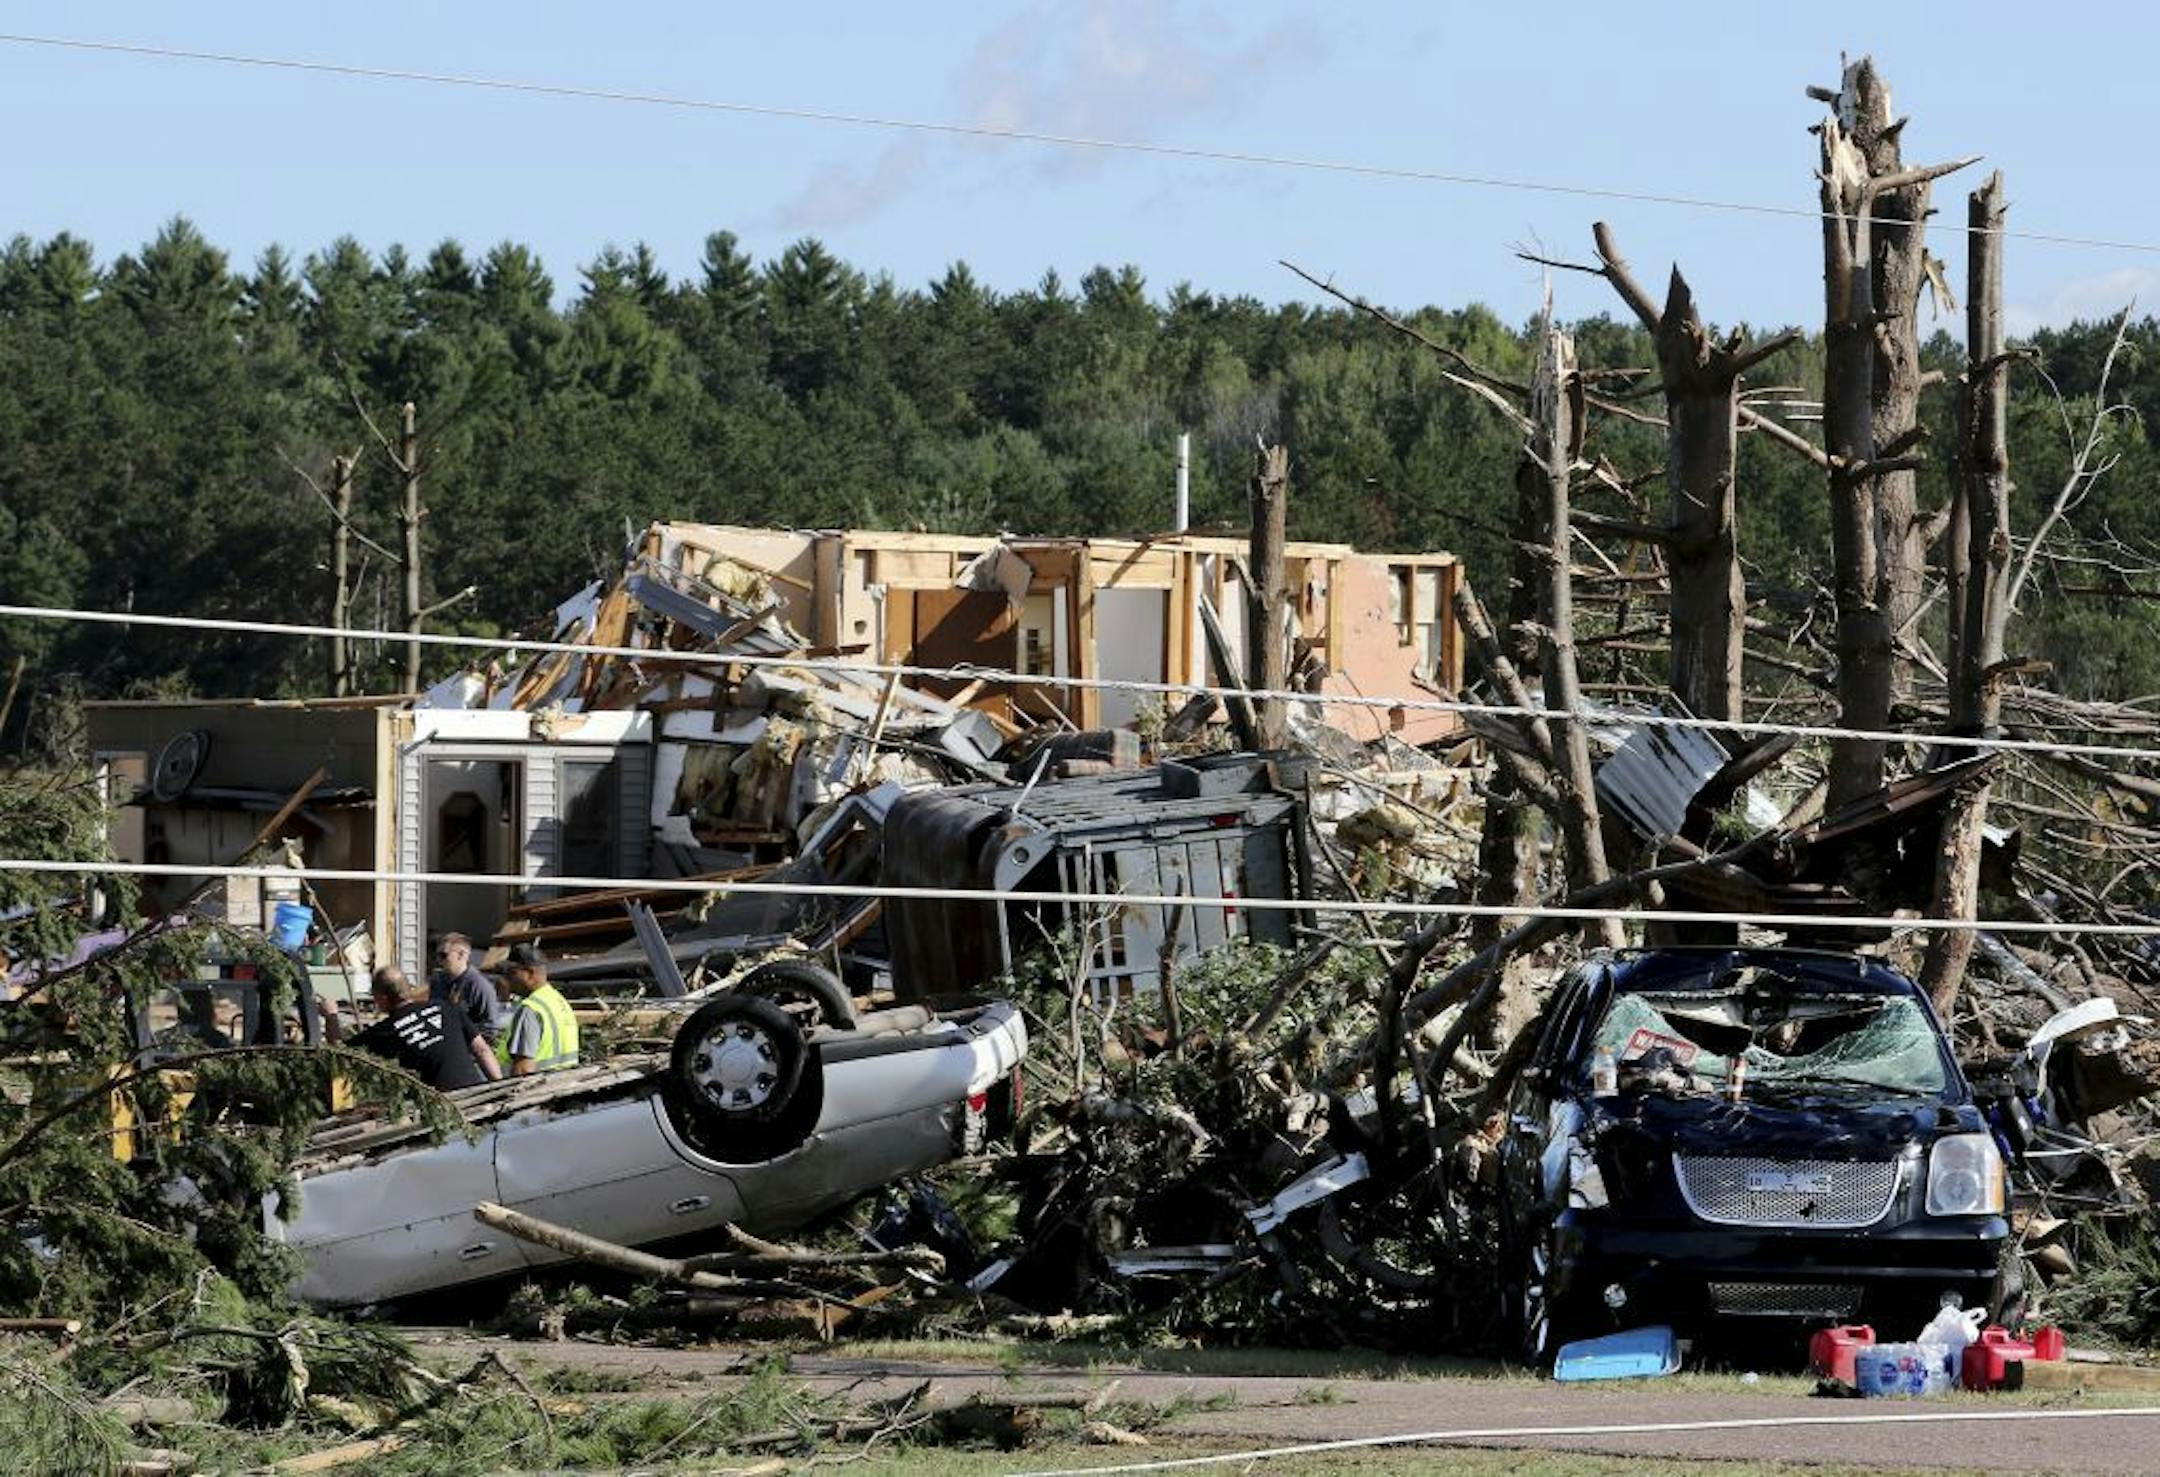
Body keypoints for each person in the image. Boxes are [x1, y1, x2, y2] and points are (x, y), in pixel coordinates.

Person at [339, 966, 500, 1089]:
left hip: (440, 1109)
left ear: (382, 998)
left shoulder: (383, 1032)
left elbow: (339, 1055)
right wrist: (500, 1089)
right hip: (474, 1093)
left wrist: (332, 1016)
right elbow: (482, 1050)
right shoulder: (446, 1007)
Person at [495, 942, 579, 1076]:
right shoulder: (559, 1001)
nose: (508, 979)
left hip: (536, 1091)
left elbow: (523, 1070)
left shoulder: (530, 1009)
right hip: (564, 1085)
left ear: (530, 973)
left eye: (512, 973)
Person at [429, 932, 505, 1035]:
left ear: (461, 955)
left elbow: (490, 1027)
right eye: (437, 955)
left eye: (443, 955)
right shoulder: (438, 981)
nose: (438, 960)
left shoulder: (478, 985)